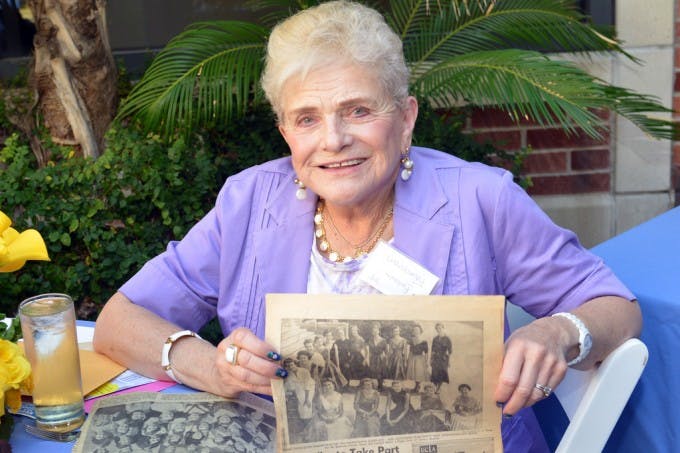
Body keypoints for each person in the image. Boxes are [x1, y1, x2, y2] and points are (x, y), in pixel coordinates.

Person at [92, 1, 641, 451]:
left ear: (405, 119)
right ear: (286, 132)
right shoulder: (249, 203)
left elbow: (616, 306)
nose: (332, 139)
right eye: (307, 118)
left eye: (357, 110)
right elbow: (119, 321)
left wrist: (557, 332)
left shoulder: (479, 199)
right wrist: (212, 367)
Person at [430, 323, 452, 393]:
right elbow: (432, 350)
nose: (438, 329)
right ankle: (435, 387)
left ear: (443, 328)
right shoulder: (435, 339)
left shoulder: (447, 339)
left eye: (440, 328)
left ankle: (438, 388)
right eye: (437, 328)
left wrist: (449, 361)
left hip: (443, 359)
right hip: (435, 358)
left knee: (442, 373)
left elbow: (450, 351)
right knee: (434, 373)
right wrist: (431, 359)